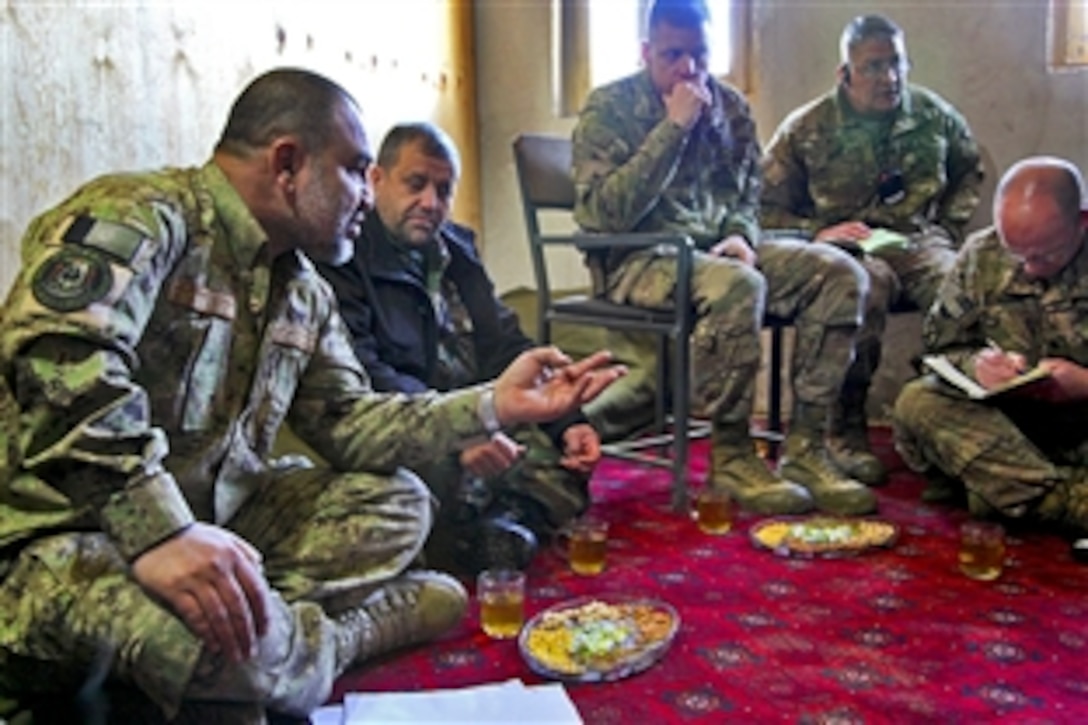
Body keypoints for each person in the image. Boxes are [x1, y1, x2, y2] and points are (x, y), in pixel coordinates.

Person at [0, 68, 623, 722]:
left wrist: (494, 404)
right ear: (288, 163)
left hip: (218, 524)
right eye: (356, 169)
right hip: (63, 541)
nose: (365, 192)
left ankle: (249, 618)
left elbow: (349, 421)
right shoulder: (142, 215)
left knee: (402, 500)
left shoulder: (302, 288)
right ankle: (339, 635)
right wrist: (160, 531)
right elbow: (59, 357)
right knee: (259, 670)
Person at [572, 0, 876, 517]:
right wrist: (672, 130)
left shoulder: (731, 107)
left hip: (718, 254)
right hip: (637, 259)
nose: (689, 69)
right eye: (672, 55)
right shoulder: (608, 107)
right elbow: (604, 214)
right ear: (646, 53)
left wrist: (740, 236)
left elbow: (748, 198)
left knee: (840, 272)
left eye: (699, 54)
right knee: (740, 286)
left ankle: (806, 447)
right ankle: (732, 453)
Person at [317, 122, 602, 575]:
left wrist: (566, 420)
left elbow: (504, 343)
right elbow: (365, 375)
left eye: (443, 190)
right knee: (413, 482)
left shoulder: (458, 249)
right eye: (416, 184)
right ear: (376, 180)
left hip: (479, 412)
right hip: (410, 423)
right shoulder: (346, 255)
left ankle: (498, 527)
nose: (430, 203)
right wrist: (459, 433)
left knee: (564, 458)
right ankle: (476, 527)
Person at [761, 14, 984, 486]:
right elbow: (765, 210)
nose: (890, 78)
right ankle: (845, 428)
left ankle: (955, 430)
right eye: (874, 67)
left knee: (959, 290)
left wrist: (948, 226)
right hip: (850, 247)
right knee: (866, 287)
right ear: (845, 74)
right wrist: (816, 234)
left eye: (897, 64)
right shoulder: (807, 128)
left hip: (917, 240)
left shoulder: (932, 114)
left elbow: (968, 170)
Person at [894, 156, 1088, 534]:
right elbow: (938, 350)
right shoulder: (982, 255)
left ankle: (1005, 493)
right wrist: (977, 367)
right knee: (917, 402)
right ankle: (1066, 501)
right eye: (1017, 253)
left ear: (1082, 221)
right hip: (1009, 430)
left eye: (1044, 255)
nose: (1028, 268)